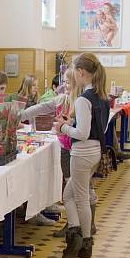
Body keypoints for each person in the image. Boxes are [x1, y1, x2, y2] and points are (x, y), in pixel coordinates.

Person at [23, 68, 98, 238]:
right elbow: (41, 107)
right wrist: (20, 114)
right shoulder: (62, 99)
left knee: (81, 190)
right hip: (66, 150)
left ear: (77, 82)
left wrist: (66, 125)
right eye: (63, 82)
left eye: (67, 82)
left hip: (79, 151)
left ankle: (84, 224)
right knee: (73, 188)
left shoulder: (82, 102)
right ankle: (76, 224)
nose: (64, 85)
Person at [54, 53, 110, 258]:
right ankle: (80, 236)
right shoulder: (102, 96)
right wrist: (73, 123)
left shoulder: (83, 99)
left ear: (81, 72)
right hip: (96, 151)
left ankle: (81, 238)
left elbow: (82, 133)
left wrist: (63, 127)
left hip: (82, 153)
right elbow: (98, 127)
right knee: (70, 196)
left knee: (79, 198)